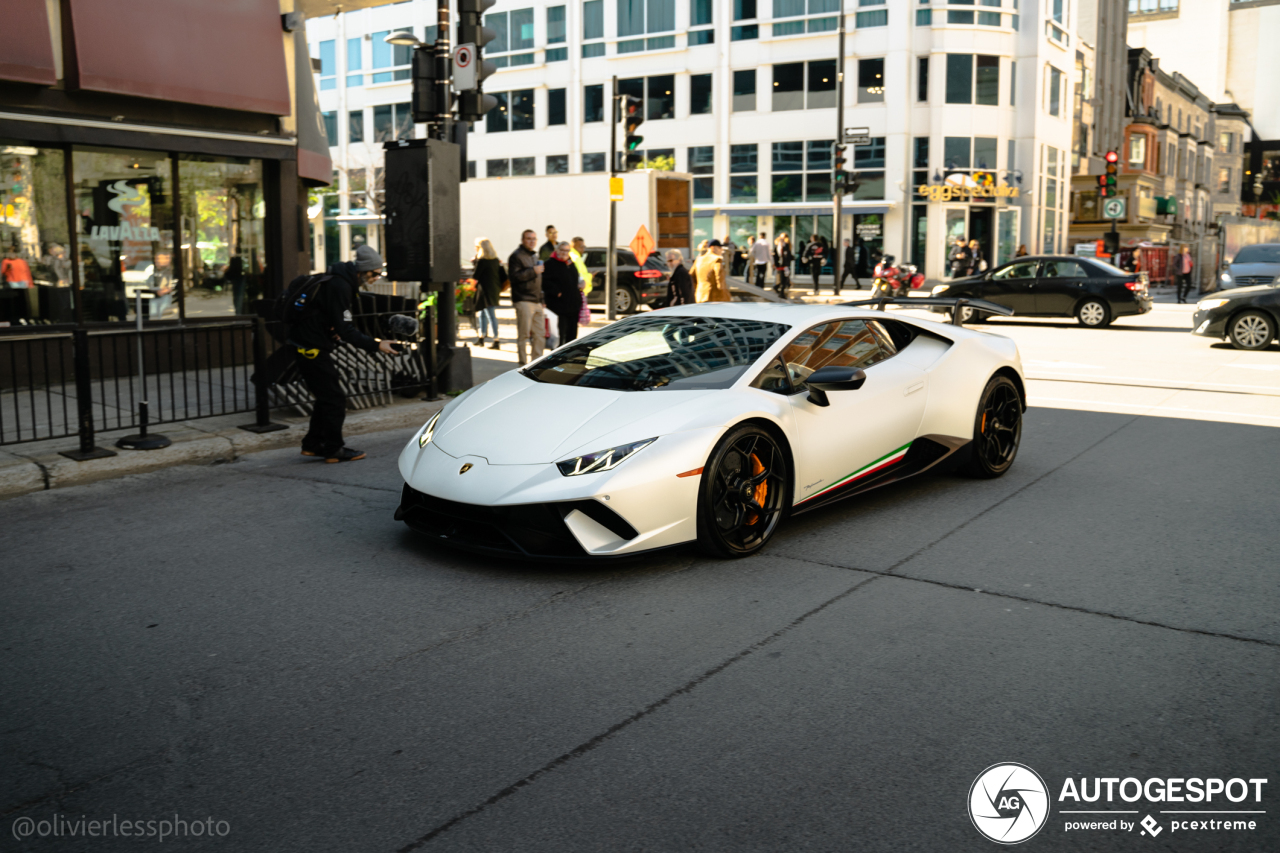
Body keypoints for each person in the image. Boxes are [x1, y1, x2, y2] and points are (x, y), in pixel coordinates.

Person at [289, 245, 399, 463]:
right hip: (311, 348)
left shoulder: (339, 280)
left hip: (308, 343)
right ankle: (333, 449)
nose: (377, 278)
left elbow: (329, 317)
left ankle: (313, 444)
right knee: (335, 400)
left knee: (326, 397)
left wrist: (332, 330)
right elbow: (346, 329)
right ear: (365, 270)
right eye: (376, 274)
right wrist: (376, 345)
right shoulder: (341, 285)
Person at [508, 229, 546, 365]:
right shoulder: (516, 256)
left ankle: (536, 364)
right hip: (523, 299)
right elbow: (514, 277)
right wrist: (532, 271)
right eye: (529, 238)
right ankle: (523, 364)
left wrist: (542, 300)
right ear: (523, 240)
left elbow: (539, 281)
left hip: (536, 301)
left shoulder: (534, 256)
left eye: (534, 239)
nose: (532, 241)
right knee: (524, 334)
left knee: (540, 335)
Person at [542, 241, 582, 346]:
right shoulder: (550, 264)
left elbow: (575, 280)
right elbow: (544, 281)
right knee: (559, 336)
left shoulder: (570, 263)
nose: (564, 253)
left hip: (573, 306)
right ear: (557, 250)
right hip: (558, 307)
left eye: (567, 250)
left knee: (572, 336)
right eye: (562, 250)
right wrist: (556, 292)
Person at [471, 238, 505, 349]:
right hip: (494, 290)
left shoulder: (482, 261)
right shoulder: (496, 260)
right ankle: (482, 337)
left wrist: (475, 261)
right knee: (483, 314)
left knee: (489, 315)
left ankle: (496, 340)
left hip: (484, 291)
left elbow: (476, 275)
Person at [773, 233, 794, 298]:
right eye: (781, 239)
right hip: (779, 266)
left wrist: (788, 263)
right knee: (782, 279)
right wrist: (775, 264)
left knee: (784, 279)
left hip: (785, 266)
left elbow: (788, 255)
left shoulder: (786, 246)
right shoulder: (777, 248)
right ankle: (780, 291)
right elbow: (775, 257)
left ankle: (779, 289)